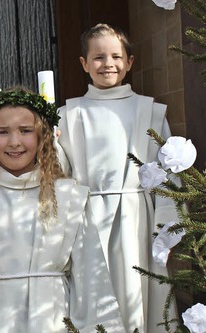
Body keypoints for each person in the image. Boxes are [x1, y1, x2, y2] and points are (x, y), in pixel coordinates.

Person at [0, 89, 125, 332]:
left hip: (51, 319)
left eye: (25, 130)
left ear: (42, 136)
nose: (14, 142)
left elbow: (91, 280)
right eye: (2, 132)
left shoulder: (69, 197)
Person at [56, 23, 177, 332]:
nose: (107, 64)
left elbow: (166, 174)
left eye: (115, 56)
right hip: (88, 219)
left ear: (130, 62)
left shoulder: (149, 112)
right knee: (93, 301)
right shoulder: (69, 114)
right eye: (97, 57)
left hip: (136, 220)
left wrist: (166, 229)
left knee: (135, 295)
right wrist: (50, 141)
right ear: (83, 63)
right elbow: (58, 174)